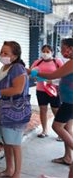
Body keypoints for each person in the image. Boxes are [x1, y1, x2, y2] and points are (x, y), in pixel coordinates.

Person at [0, 41, 31, 178]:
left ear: (15, 56)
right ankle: (9, 170)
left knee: (15, 143)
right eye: (1, 52)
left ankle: (16, 173)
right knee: (7, 142)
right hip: (2, 111)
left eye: (6, 53)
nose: (2, 55)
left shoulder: (17, 68)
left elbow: (18, 89)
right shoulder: (5, 67)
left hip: (14, 111)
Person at [31, 38, 73, 178]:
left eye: (62, 48)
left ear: (70, 48)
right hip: (67, 100)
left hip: (70, 102)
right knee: (67, 128)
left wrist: (35, 73)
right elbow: (60, 78)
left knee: (57, 126)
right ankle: (68, 158)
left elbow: (54, 75)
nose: (61, 51)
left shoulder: (72, 63)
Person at [29, 45, 64, 138]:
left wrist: (53, 81)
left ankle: (60, 132)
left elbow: (63, 75)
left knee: (56, 110)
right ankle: (44, 130)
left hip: (54, 90)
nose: (45, 53)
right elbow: (31, 74)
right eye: (43, 51)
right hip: (41, 90)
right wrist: (34, 75)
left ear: (52, 52)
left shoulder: (57, 62)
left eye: (47, 51)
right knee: (43, 110)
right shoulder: (37, 62)